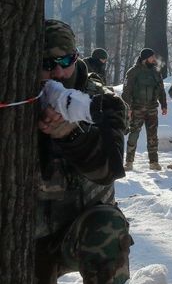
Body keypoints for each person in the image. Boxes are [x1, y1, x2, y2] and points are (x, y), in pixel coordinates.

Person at [36, 19, 132, 283]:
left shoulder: (102, 102)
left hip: (78, 232)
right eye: (46, 65)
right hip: (24, 234)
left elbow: (108, 170)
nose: (57, 72)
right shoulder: (20, 97)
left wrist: (72, 134)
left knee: (109, 226)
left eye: (64, 62)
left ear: (75, 57)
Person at [122, 47, 167, 171]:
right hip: (137, 109)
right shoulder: (133, 72)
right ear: (145, 58)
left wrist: (164, 105)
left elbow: (161, 90)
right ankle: (129, 162)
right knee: (134, 134)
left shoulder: (156, 72)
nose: (154, 59)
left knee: (153, 136)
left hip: (152, 109)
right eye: (151, 57)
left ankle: (154, 162)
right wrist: (128, 108)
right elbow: (126, 92)